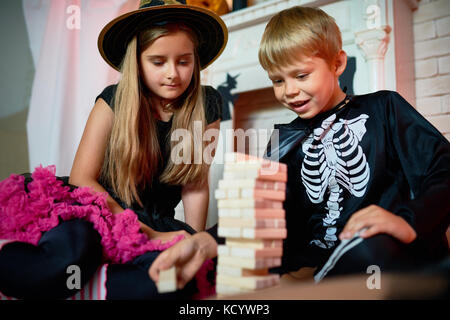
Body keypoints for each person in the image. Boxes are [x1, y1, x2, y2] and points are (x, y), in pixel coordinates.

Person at [150, 6, 450, 289]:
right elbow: (264, 213)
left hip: (377, 250)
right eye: (277, 80)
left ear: (337, 63)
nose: (289, 91)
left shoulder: (384, 108)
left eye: (301, 75)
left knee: (369, 250)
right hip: (313, 260)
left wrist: (407, 221)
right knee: (226, 269)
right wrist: (205, 243)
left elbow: (444, 167)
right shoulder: (285, 140)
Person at [0, 0, 227, 300]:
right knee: (74, 251)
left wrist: (193, 245)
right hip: (99, 210)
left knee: (175, 284)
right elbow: (83, 178)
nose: (173, 73)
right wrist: (142, 230)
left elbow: (195, 184)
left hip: (158, 221)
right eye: (158, 62)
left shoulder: (206, 105)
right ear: (137, 61)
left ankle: (89, 286)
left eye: (183, 61)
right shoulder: (113, 100)